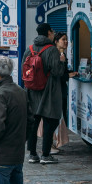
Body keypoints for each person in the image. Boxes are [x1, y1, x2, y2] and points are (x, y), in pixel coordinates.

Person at [25, 23, 68, 164]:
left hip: (32, 91)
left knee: (34, 122)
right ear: (49, 33)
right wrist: (62, 62)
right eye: (52, 31)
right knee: (51, 121)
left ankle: (32, 153)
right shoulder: (52, 50)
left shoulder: (29, 49)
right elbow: (57, 72)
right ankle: (45, 154)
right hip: (49, 91)